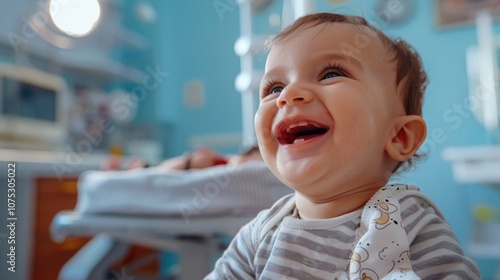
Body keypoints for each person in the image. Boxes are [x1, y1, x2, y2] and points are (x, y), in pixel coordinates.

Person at [205, 12, 480, 279]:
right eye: (275, 88)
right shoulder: (258, 235)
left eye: (330, 74)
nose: (287, 95)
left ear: (399, 137)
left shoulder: (406, 225)